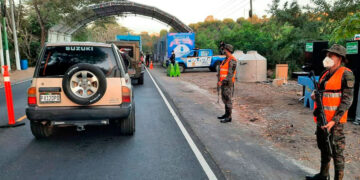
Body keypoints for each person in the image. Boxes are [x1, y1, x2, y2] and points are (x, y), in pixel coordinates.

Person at [306, 44, 354, 180]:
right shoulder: (325, 73)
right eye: (327, 55)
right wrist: (316, 95)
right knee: (324, 148)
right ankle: (323, 175)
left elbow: (347, 101)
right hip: (322, 118)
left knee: (337, 152)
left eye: (331, 55)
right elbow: (322, 92)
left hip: (335, 122)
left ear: (339, 58)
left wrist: (334, 121)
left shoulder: (346, 74)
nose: (328, 57)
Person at [217, 44, 237, 123]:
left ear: (227, 50)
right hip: (223, 83)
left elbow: (230, 75)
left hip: (228, 83)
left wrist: (222, 82)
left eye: (224, 49)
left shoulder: (232, 60)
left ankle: (229, 117)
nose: (223, 51)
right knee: (225, 99)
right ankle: (226, 114)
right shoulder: (226, 59)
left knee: (228, 100)